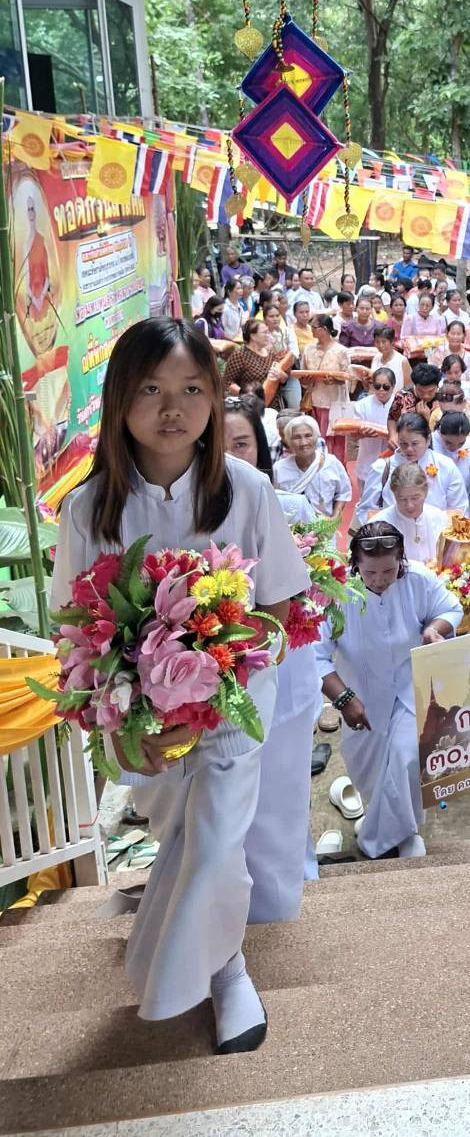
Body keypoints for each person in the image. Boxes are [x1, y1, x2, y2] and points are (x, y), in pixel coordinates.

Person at [50, 319, 309, 1052]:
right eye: (151, 390)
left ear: (216, 395)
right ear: (119, 402)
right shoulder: (87, 507)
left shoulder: (249, 490)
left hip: (231, 706)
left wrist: (224, 672)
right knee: (179, 836)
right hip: (142, 721)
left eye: (192, 389)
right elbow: (78, 631)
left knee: (220, 838)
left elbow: (279, 604)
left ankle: (219, 976)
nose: (173, 407)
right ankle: (216, 958)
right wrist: (112, 724)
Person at [222, 397, 318, 921]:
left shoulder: (291, 507)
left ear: (258, 448)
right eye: (219, 445)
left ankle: (283, 900)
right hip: (223, 682)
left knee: (282, 792)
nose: (229, 455)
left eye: (240, 443)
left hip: (288, 671)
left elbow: (318, 586)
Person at [315, 521, 460, 861]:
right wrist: (343, 698)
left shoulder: (419, 580)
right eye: (370, 573)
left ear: (401, 561)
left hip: (412, 691)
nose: (380, 580)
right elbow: (315, 654)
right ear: (355, 566)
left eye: (389, 570)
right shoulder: (336, 593)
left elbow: (452, 608)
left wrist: (433, 629)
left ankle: (382, 841)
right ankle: (391, 828)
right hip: (360, 696)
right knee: (370, 774)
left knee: (407, 759)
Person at [359, 411, 469, 518]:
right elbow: (367, 510)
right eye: (404, 444)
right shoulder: (381, 468)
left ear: (428, 440)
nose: (409, 449)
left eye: (415, 444)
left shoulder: (445, 466)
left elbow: (458, 508)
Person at [274, 414, 352, 520]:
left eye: (308, 436)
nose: (303, 442)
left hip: (325, 529)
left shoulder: (332, 463)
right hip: (292, 532)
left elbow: (343, 492)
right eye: (297, 437)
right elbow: (274, 500)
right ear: (289, 442)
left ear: (316, 438)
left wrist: (335, 516)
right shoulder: (279, 469)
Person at [373, 462, 450, 564]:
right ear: (394, 494)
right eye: (402, 499)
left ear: (426, 491)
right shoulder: (378, 526)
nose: (410, 505)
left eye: (415, 498)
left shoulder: (439, 518)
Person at [300, 314, 353, 458]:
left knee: (335, 439)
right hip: (315, 400)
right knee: (316, 435)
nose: (311, 330)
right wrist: (306, 380)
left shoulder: (341, 350)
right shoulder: (308, 349)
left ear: (324, 329)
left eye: (314, 327)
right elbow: (303, 376)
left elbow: (348, 377)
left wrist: (335, 380)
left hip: (334, 400)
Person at [346, 365, 396, 497]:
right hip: (367, 460)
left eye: (386, 387)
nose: (381, 390)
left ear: (393, 386)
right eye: (377, 386)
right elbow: (353, 436)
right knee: (366, 505)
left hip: (393, 462)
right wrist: (362, 434)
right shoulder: (362, 405)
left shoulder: (400, 404)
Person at [433, 409, 470, 517]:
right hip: (435, 509)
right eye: (448, 442)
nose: (454, 447)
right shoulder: (429, 443)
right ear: (440, 431)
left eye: (461, 443)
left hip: (462, 508)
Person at [222, 318, 286, 397]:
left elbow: (283, 380)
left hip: (273, 401)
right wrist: (246, 395)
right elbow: (228, 382)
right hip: (250, 404)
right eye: (264, 333)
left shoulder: (271, 354)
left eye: (268, 332)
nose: (268, 336)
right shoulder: (240, 355)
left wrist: (281, 375)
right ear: (253, 336)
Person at [401, 291, 447, 356]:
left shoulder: (436, 320)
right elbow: (403, 340)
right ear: (418, 305)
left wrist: (426, 354)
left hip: (431, 355)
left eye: (427, 305)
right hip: (413, 355)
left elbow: (439, 341)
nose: (424, 308)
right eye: (422, 305)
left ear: (432, 307)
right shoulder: (410, 319)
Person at [370, 325, 411, 391]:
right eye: (377, 342)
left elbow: (409, 387)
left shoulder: (402, 361)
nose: (380, 345)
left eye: (384, 342)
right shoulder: (376, 358)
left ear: (392, 342)